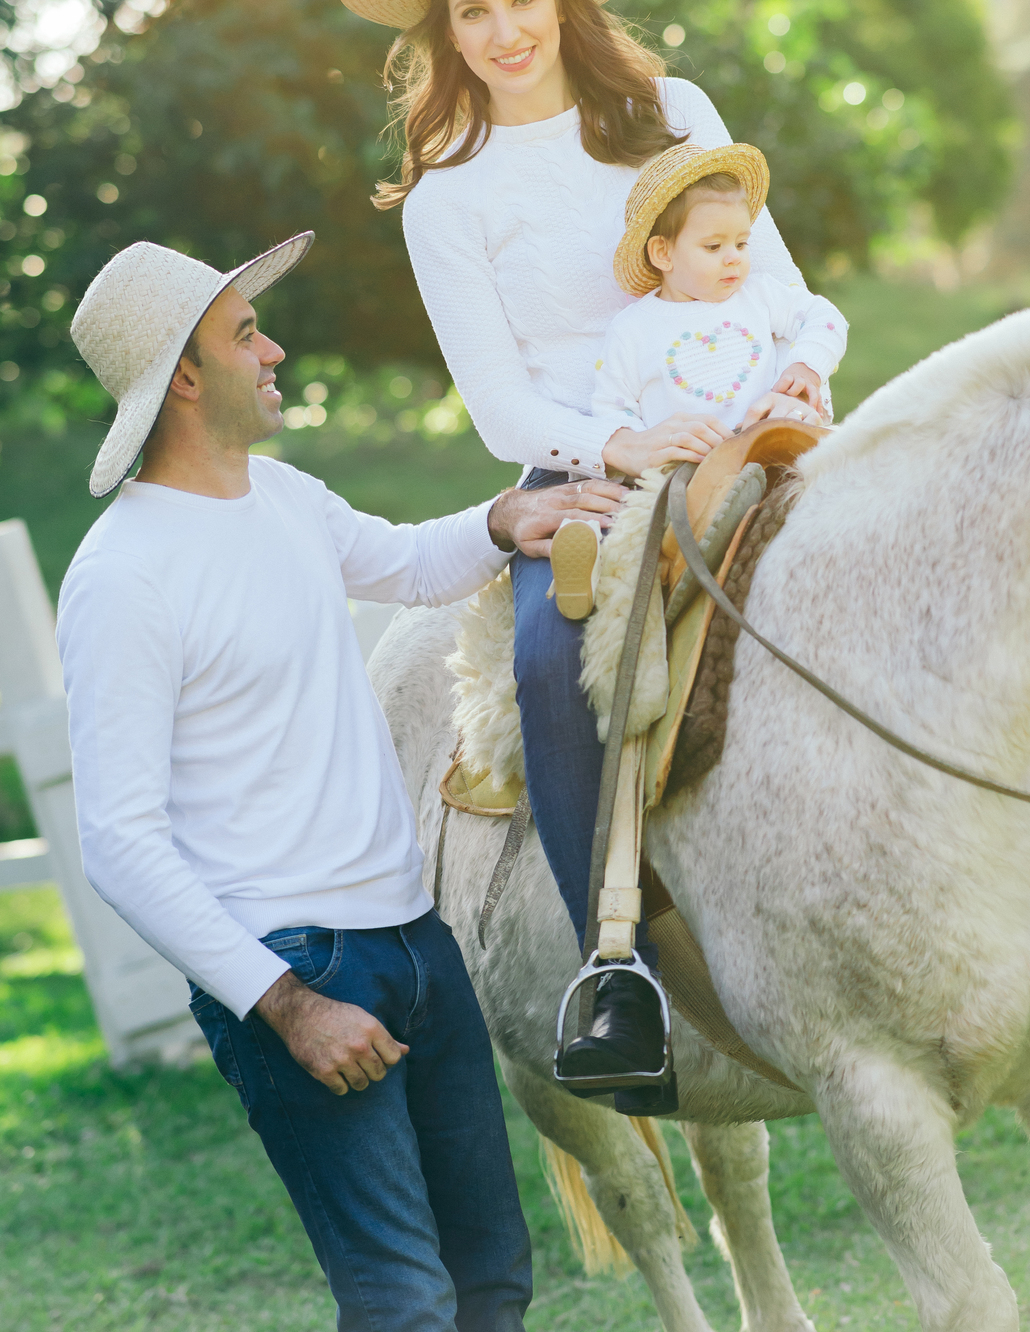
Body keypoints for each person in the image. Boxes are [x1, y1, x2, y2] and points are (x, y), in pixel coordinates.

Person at [56, 232, 621, 1332]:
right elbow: (118, 839)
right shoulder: (121, 577)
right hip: (294, 969)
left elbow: (405, 563)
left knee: (493, 1276)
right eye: (245, 332)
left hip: (415, 943)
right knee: (402, 1299)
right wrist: (288, 1006)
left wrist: (508, 519)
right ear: (183, 374)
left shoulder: (281, 495)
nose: (273, 349)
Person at [336, 0, 844, 1111]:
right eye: (475, 12)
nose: (506, 30)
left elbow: (785, 291)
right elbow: (501, 409)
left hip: (757, 427)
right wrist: (618, 442)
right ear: (446, 37)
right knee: (553, 652)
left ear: (563, 2)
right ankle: (615, 973)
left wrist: (802, 372)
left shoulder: (676, 117)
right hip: (586, 472)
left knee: (924, 540)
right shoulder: (452, 194)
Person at [546, 140, 848, 620]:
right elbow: (614, 408)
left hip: (766, 450)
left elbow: (824, 317)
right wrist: (644, 444)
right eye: (713, 247)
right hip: (686, 468)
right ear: (663, 253)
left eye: (742, 243)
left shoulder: (759, 296)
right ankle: (592, 568)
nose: (734, 258)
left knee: (839, 472)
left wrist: (805, 365)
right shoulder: (635, 329)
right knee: (644, 525)